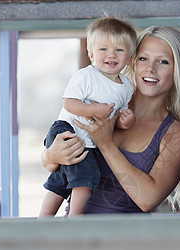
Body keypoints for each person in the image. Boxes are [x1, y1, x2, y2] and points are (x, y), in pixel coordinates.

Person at [41, 26, 180, 214]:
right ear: (132, 61)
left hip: (124, 240)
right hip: (74, 235)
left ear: (177, 69)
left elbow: (147, 199)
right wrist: (51, 157)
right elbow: (54, 165)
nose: (151, 69)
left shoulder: (178, 135)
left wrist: (106, 144)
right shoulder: (105, 103)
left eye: (163, 62)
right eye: (143, 59)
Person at [39, 17, 137, 218]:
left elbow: (115, 116)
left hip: (88, 141)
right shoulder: (86, 76)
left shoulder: (127, 86)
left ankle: (43, 220)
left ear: (129, 57)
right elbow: (69, 103)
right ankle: (75, 219)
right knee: (87, 176)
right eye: (103, 49)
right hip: (68, 130)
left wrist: (125, 121)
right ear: (91, 54)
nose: (111, 54)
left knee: (61, 179)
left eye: (119, 50)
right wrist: (94, 111)